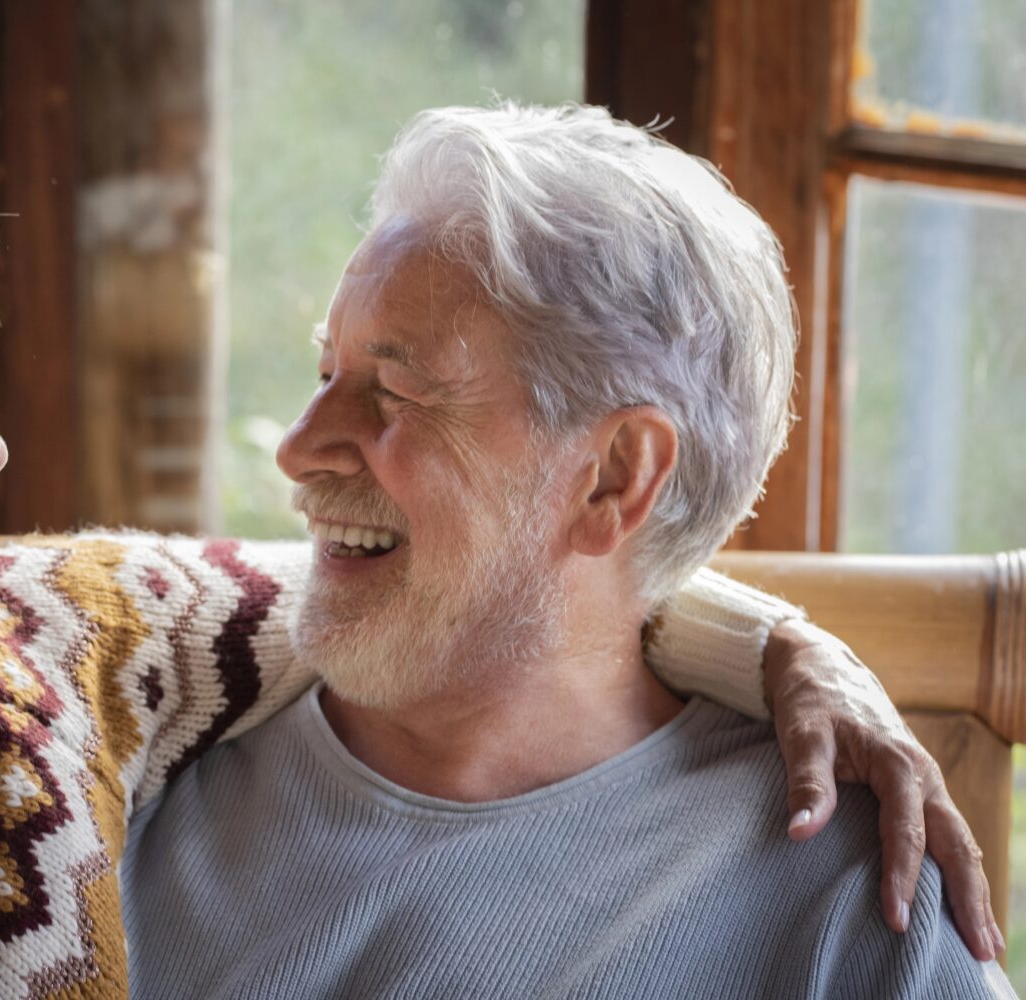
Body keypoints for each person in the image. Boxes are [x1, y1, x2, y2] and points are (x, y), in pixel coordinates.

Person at [0, 124, 994, 1000]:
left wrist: (773, 641)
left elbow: (511, 585)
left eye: (391, 391)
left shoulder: (44, 667)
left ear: (616, 477)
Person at [123, 102, 1015, 998]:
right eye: (326, 373)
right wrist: (772, 643)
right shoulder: (111, 767)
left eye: (395, 392)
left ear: (616, 478)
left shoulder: (850, 897)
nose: (297, 448)